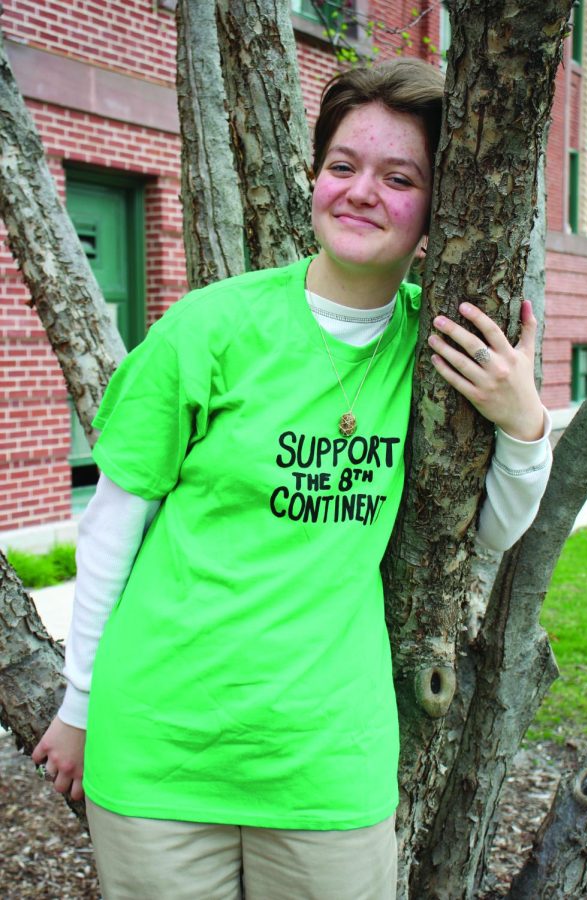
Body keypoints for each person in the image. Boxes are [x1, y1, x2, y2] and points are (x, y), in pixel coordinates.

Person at [32, 58, 551, 899]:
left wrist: (524, 424)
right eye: (342, 166)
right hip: (161, 747)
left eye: (398, 176)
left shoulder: (439, 352)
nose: (360, 192)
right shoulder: (212, 327)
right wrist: (80, 701)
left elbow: (486, 529)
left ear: (436, 208)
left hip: (327, 764)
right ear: (314, 179)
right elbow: (113, 524)